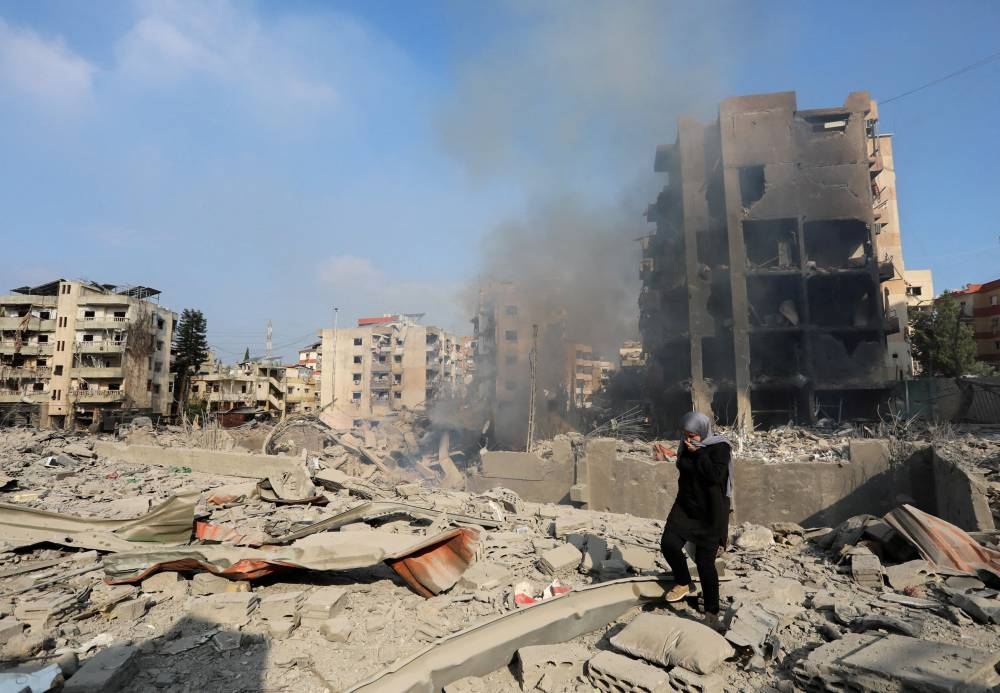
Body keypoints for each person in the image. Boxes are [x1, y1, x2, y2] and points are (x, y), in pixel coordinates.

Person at [660, 411, 732, 625]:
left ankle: (711, 614)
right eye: (684, 435)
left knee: (704, 563)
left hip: (711, 512)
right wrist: (677, 453)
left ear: (703, 431)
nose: (688, 439)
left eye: (693, 435)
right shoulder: (685, 447)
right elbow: (682, 467)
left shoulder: (720, 447)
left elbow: (715, 477)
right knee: (669, 544)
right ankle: (683, 581)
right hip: (686, 506)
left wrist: (699, 454)